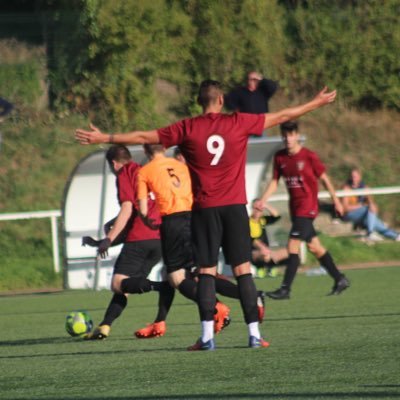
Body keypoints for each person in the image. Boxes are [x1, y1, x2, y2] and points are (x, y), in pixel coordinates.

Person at [76, 80, 337, 350]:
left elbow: (144, 138)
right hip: (235, 207)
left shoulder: (188, 127)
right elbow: (283, 115)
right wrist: (316, 102)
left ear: (199, 102)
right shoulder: (238, 122)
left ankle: (207, 338)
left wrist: (105, 138)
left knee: (206, 273)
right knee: (243, 271)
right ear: (221, 100)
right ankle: (254, 336)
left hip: (204, 211)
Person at [137, 143, 232, 335]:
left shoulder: (144, 171)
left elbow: (143, 208)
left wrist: (147, 221)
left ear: (146, 151)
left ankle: (215, 306)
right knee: (193, 273)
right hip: (193, 217)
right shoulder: (181, 166)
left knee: (176, 277)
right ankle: (160, 322)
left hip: (173, 221)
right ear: (164, 148)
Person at [84, 145, 175, 340]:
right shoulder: (145, 171)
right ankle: (104, 326)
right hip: (158, 238)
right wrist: (101, 241)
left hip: (140, 238)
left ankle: (161, 287)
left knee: (118, 284)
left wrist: (108, 239)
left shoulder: (126, 173)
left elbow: (127, 209)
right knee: (127, 286)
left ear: (114, 163)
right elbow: (135, 211)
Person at [255, 121, 350, 300]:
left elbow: (325, 178)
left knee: (293, 246)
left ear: (297, 135)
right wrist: (263, 200)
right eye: (285, 135)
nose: (288, 139)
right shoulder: (280, 157)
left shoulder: (308, 156)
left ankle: (285, 289)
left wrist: (336, 201)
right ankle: (340, 279)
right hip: (295, 208)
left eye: (291, 135)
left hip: (308, 207)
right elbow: (275, 182)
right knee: (315, 247)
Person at [342, 167, 400, 242]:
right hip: (349, 214)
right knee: (369, 210)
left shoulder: (365, 188)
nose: (354, 179)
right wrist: (361, 206)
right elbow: (345, 208)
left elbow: (372, 205)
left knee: (375, 222)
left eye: (355, 177)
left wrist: (371, 203)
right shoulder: (346, 189)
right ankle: (370, 233)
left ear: (360, 177)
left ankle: (395, 236)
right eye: (352, 177)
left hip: (363, 215)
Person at [249, 199, 289, 278]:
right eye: (256, 208)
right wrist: (261, 247)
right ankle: (262, 268)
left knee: (289, 251)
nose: (258, 211)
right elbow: (252, 240)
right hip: (253, 253)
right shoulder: (247, 222)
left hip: (267, 251)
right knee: (265, 253)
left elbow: (276, 216)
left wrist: (266, 205)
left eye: (260, 209)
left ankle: (271, 267)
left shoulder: (262, 220)